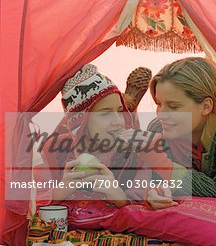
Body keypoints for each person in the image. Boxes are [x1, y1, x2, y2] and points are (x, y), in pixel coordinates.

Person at [136, 57, 216, 209]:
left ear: (206, 106)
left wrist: (164, 165)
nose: (161, 114)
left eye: (173, 106)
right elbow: (151, 182)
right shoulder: (158, 129)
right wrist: (153, 193)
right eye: (159, 104)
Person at [35, 64, 152, 208]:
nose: (118, 121)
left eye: (120, 111)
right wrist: (60, 191)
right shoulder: (54, 151)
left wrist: (121, 198)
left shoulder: (136, 155)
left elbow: (147, 208)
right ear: (81, 122)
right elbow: (30, 203)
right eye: (105, 113)